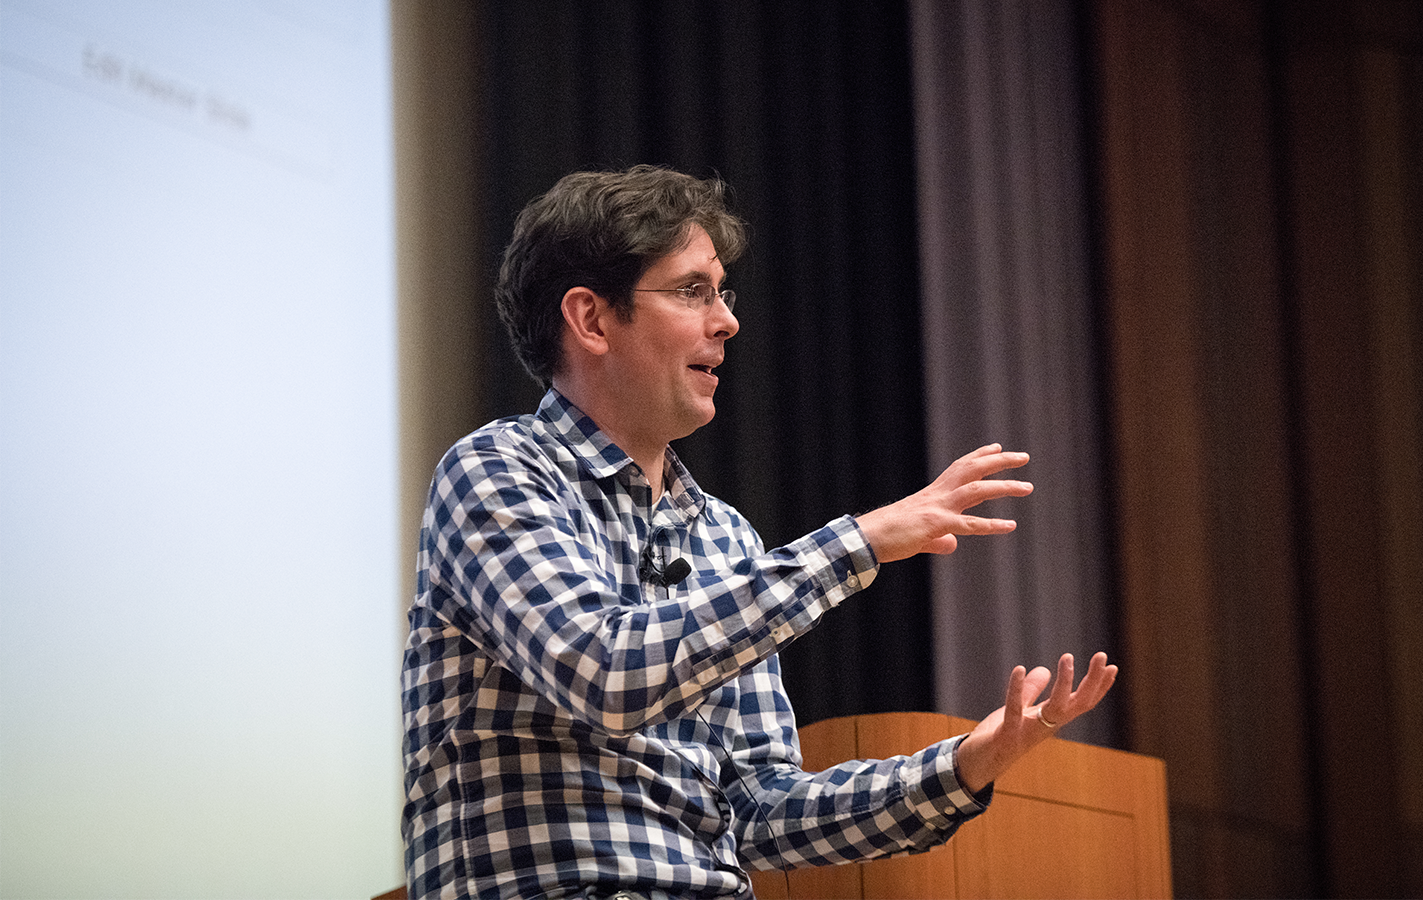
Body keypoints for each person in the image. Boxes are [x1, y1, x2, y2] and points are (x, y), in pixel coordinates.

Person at [401, 165, 1117, 900]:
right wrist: (860, 541)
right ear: (590, 319)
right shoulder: (497, 471)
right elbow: (603, 670)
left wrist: (965, 762)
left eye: (722, 292)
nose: (726, 320)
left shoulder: (723, 538)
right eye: (691, 292)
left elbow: (757, 810)